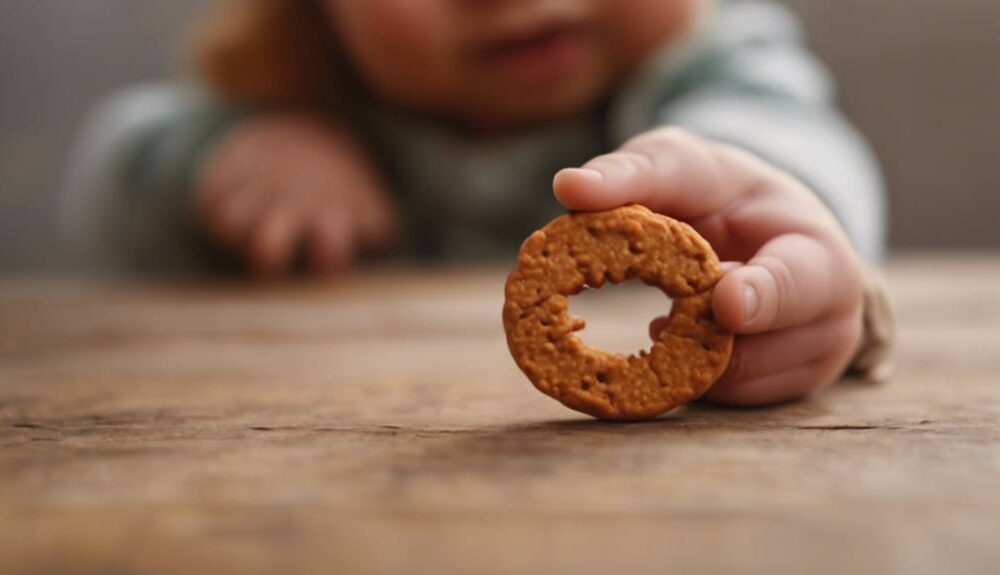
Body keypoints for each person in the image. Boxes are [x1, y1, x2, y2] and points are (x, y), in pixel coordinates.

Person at [62, 0, 894, 405]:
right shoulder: (303, 101)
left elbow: (787, 136)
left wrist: (779, 212)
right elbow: (110, 173)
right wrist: (227, 157)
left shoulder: (703, 70)